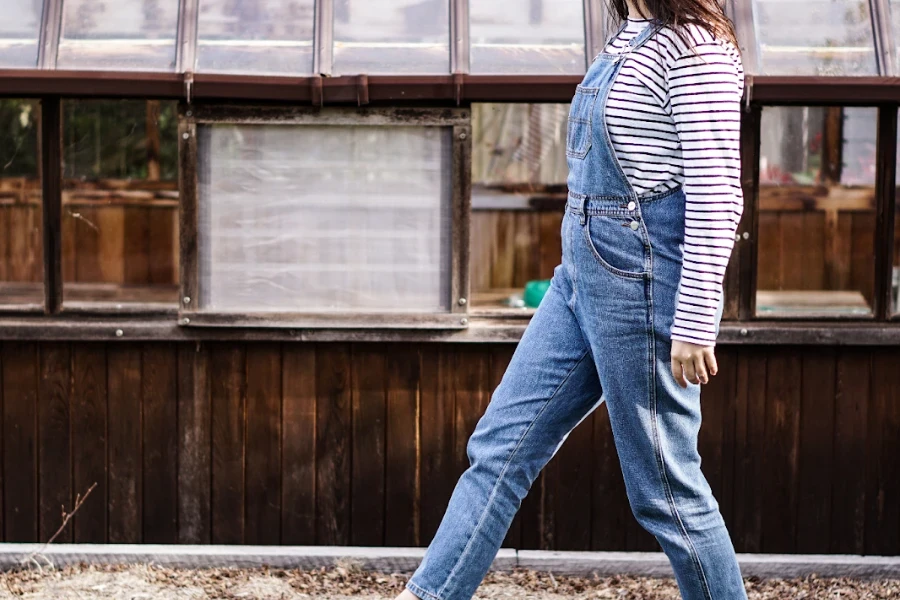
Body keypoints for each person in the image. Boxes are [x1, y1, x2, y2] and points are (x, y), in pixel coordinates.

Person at [397, 0, 746, 598]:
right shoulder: (629, 35)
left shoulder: (698, 48)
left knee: (666, 491)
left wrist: (694, 318)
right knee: (500, 449)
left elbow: (717, 187)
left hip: (643, 284)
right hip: (579, 279)